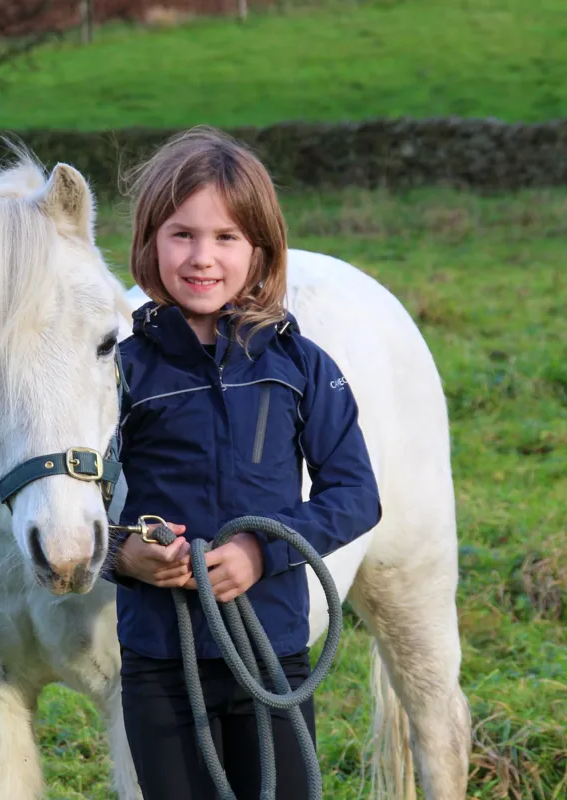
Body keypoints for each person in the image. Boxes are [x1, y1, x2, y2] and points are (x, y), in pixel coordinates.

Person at [104, 128, 382, 800]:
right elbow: (77, 503)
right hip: (160, 664)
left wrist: (263, 551)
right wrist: (124, 555)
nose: (203, 258)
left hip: (272, 652)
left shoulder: (300, 366)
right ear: (149, 243)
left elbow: (355, 494)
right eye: (182, 235)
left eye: (226, 237)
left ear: (259, 250)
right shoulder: (118, 368)